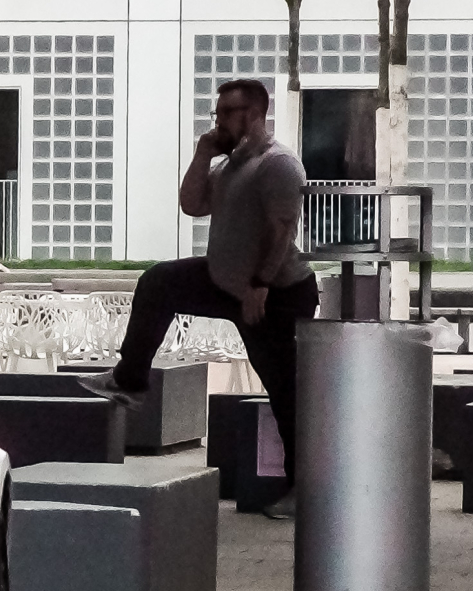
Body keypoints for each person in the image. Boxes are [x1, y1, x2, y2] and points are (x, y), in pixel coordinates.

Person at [81, 77, 319, 520]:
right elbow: (191, 203)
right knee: (159, 283)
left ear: (252, 114)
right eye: (217, 113)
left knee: (287, 395)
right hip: (226, 282)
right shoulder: (232, 165)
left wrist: (260, 286)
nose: (218, 121)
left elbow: (282, 228)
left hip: (275, 293)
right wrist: (203, 151)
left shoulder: (278, 163)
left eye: (226, 113)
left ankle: (305, 490)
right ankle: (130, 380)